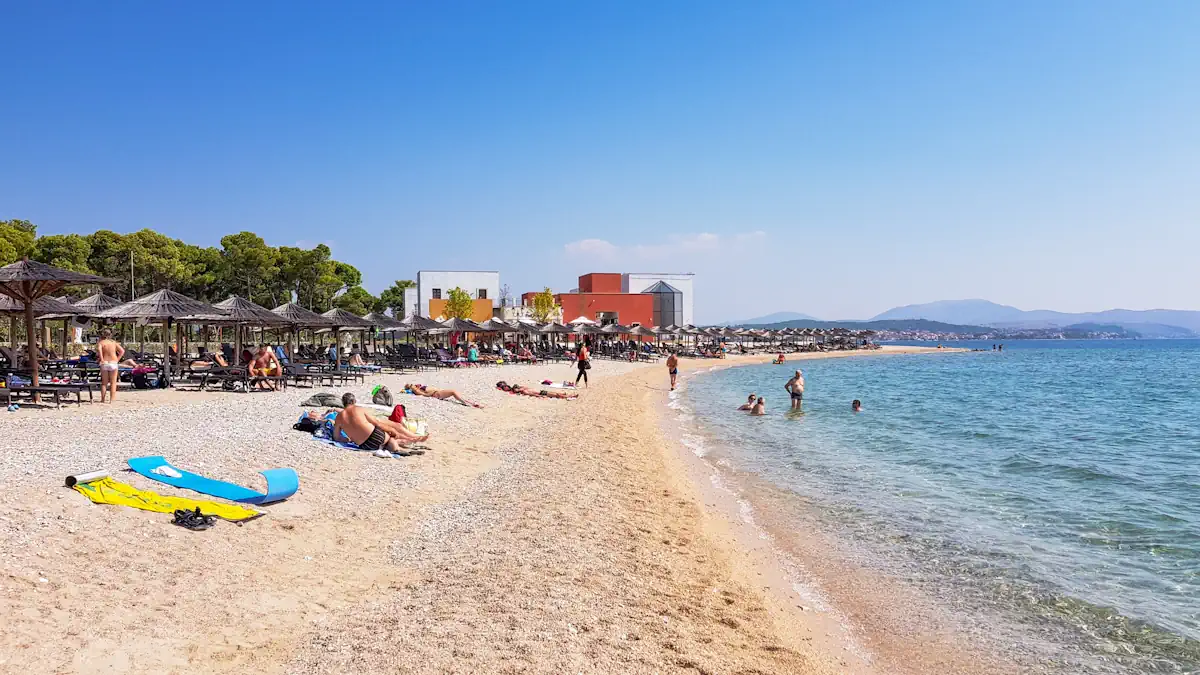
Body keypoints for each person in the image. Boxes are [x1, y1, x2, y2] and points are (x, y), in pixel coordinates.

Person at [333, 393, 402, 456]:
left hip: (365, 446)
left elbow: (336, 437)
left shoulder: (338, 417)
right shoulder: (359, 409)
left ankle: (387, 448)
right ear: (354, 401)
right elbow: (378, 424)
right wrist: (392, 430)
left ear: (343, 403)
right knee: (390, 436)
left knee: (384, 442)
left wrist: (347, 440)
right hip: (377, 436)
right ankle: (396, 449)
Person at [96, 329, 125, 404]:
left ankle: (103, 399)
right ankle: (112, 400)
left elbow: (99, 351)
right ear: (110, 335)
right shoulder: (113, 342)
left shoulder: (101, 343)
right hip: (113, 362)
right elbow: (122, 351)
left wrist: (102, 359)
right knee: (113, 382)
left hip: (105, 362)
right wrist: (117, 359)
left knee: (104, 383)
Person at [405, 383, 484, 408]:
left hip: (437, 393)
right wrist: (433, 392)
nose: (414, 385)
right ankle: (467, 403)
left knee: (454, 393)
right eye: (412, 385)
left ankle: (471, 403)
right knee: (453, 392)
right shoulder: (416, 390)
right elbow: (425, 395)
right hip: (436, 394)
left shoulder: (418, 388)